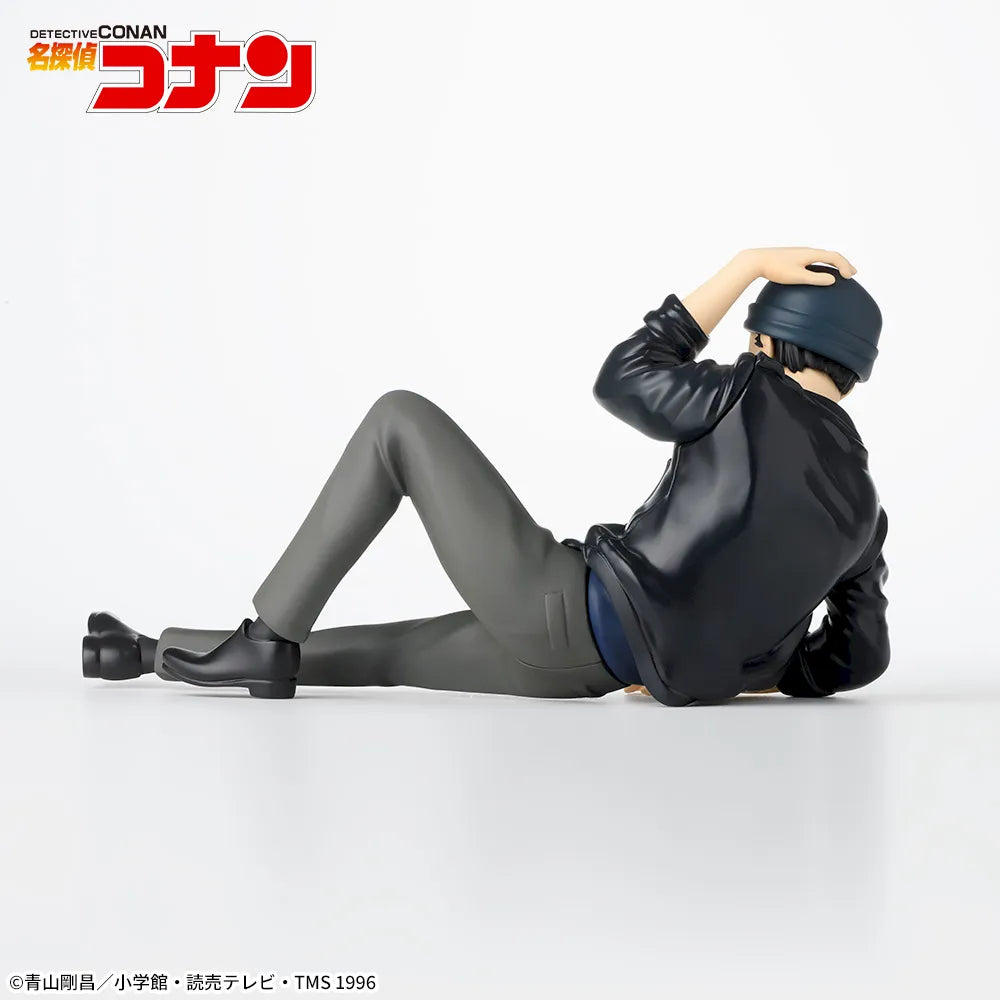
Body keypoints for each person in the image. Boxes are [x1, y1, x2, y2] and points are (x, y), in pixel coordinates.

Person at [82, 246, 889, 706]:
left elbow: (625, 376)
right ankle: (150, 651)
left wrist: (745, 265)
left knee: (399, 422)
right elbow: (853, 661)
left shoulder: (747, 391)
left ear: (770, 342)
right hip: (594, 675)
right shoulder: (864, 513)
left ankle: (263, 638)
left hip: (560, 609)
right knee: (391, 655)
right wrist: (711, 661)